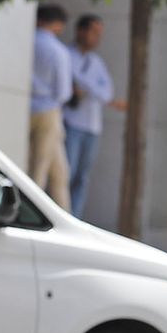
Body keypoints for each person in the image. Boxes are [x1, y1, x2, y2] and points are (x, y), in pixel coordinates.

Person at [61, 14, 127, 218]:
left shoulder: (96, 62)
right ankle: (63, 214)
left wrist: (85, 88)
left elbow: (106, 93)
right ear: (81, 31)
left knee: (82, 177)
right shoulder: (66, 55)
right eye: (94, 32)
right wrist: (92, 89)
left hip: (92, 127)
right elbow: (96, 91)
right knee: (66, 173)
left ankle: (75, 216)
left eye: (100, 34)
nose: (97, 38)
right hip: (71, 122)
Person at [30, 3, 73, 207]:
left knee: (58, 171)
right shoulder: (58, 50)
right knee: (39, 170)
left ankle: (65, 213)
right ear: (58, 25)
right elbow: (63, 91)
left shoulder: (26, 41)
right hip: (48, 111)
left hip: (24, 107)